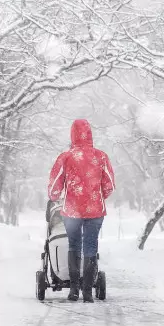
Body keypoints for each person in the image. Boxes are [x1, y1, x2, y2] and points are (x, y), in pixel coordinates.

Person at [47, 119, 115, 303]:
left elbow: (54, 186)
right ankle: (87, 293)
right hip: (95, 210)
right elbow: (109, 186)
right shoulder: (101, 157)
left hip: (72, 211)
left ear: (72, 135)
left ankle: (74, 290)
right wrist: (97, 196)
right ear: (90, 134)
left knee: (74, 246)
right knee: (91, 246)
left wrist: (56, 196)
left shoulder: (65, 157)